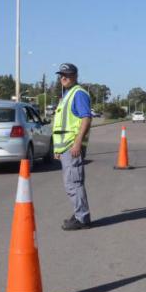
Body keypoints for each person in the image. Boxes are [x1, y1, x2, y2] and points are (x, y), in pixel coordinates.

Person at [52, 63, 92, 230]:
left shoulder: (78, 94)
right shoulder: (67, 95)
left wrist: (77, 143)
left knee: (74, 183)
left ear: (75, 76)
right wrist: (57, 149)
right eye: (61, 75)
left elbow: (86, 119)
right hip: (65, 147)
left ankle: (82, 218)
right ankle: (79, 213)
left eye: (66, 75)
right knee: (71, 183)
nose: (63, 78)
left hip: (72, 146)